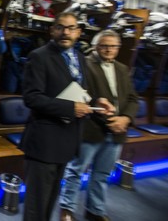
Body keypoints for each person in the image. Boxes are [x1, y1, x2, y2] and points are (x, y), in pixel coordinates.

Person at [19, 12, 115, 221]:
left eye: (71, 28)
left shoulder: (80, 57)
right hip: (44, 142)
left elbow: (80, 90)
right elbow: (32, 98)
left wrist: (96, 101)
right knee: (36, 206)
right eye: (61, 27)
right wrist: (71, 108)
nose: (66, 32)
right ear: (52, 30)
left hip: (68, 140)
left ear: (79, 32)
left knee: (51, 200)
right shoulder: (39, 56)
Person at [59, 29, 138, 221]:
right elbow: (79, 96)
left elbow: (132, 98)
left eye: (113, 46)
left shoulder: (122, 68)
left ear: (118, 48)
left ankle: (95, 210)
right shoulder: (84, 64)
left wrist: (125, 119)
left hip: (117, 131)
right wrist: (110, 121)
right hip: (90, 129)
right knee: (76, 170)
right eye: (104, 45)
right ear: (96, 46)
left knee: (102, 173)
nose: (109, 50)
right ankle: (67, 209)